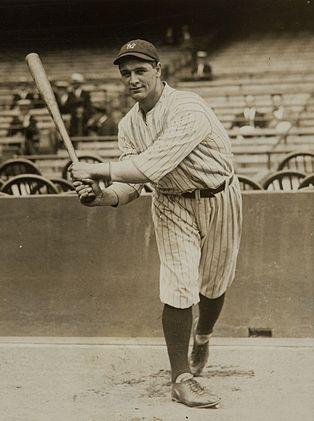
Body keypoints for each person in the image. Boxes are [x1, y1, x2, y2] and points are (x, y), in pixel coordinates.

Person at [69, 39, 242, 409]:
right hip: (171, 204)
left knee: (214, 285)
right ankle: (181, 378)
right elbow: (134, 183)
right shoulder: (129, 125)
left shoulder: (188, 108)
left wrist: (97, 167)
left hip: (220, 195)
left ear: (159, 70)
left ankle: (204, 334)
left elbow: (153, 164)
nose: (133, 79)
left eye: (140, 70)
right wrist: (102, 195)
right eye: (126, 73)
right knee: (179, 284)